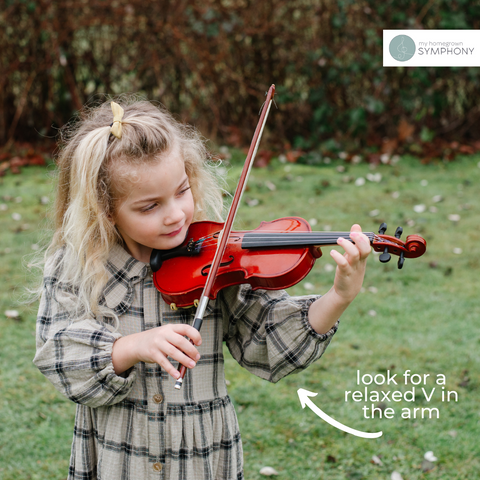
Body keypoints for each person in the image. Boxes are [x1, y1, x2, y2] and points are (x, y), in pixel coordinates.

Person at [33, 99, 371, 480]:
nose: (175, 213)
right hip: (119, 456)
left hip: (200, 456)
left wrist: (338, 297)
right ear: (106, 209)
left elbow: (267, 341)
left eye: (181, 191)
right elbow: (56, 353)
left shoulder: (217, 256)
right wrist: (130, 347)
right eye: (149, 207)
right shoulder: (78, 264)